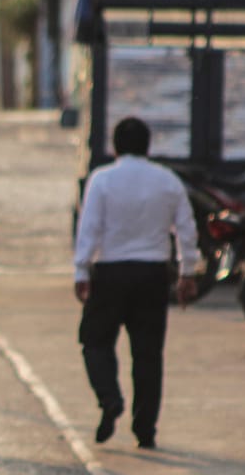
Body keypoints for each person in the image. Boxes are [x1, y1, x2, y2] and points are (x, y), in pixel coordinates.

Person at [73, 117, 198, 450]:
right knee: (147, 355)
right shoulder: (167, 180)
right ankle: (145, 430)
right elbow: (186, 228)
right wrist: (188, 272)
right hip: (153, 274)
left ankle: (109, 398)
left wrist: (81, 271)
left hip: (111, 272)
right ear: (148, 146)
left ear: (115, 146)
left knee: (94, 341)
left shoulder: (101, 180)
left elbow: (89, 228)